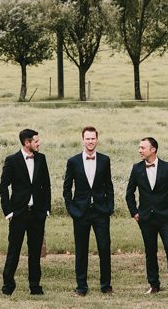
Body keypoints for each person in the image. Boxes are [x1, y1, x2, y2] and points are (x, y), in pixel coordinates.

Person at [125, 137, 168, 296]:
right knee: (150, 251)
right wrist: (135, 213)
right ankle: (154, 285)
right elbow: (129, 193)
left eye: (142, 148)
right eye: (139, 147)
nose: (140, 150)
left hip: (166, 217)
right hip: (146, 218)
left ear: (153, 150)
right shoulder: (136, 169)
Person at [0, 128, 51, 296]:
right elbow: (3, 187)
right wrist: (8, 211)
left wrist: (46, 209)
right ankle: (8, 286)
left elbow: (46, 185)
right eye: (36, 141)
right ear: (27, 143)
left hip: (37, 214)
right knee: (14, 250)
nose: (39, 143)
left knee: (35, 251)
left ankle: (35, 286)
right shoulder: (12, 160)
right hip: (18, 214)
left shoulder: (42, 159)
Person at [63, 125, 114, 296]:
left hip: (100, 212)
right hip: (80, 213)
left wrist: (109, 207)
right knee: (81, 250)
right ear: (82, 140)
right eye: (87, 138)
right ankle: (81, 287)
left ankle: (106, 285)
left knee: (104, 248)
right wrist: (71, 209)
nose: (90, 141)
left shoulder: (105, 160)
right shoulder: (73, 161)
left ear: (97, 140)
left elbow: (109, 186)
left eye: (93, 138)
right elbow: (67, 188)